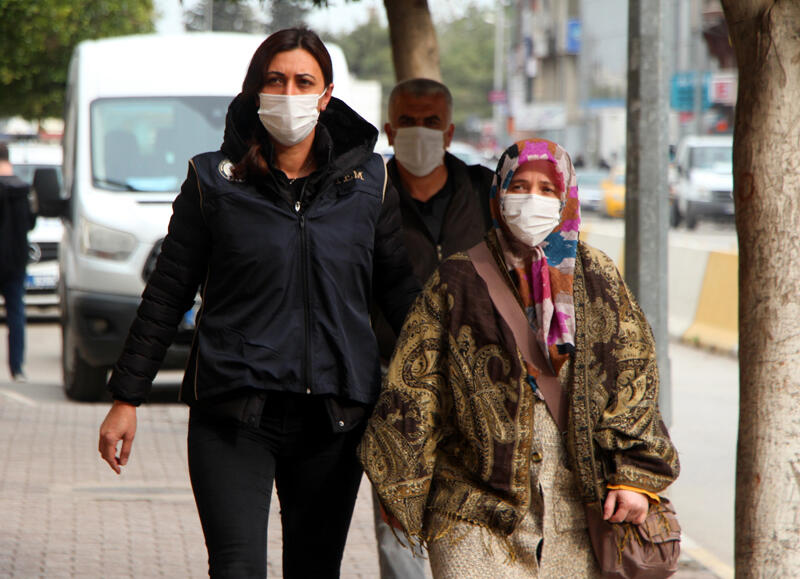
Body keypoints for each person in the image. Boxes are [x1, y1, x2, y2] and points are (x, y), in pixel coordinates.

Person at [97, 28, 421, 579]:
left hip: (334, 419)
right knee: (236, 569)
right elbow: (167, 292)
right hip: (232, 413)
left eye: (303, 81)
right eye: (276, 80)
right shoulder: (212, 180)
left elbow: (406, 299)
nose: (289, 93)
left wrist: (447, 394)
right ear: (255, 91)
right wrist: (127, 397)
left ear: (326, 95)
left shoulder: (370, 180)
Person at [359, 138, 680, 578]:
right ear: (498, 193)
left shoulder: (599, 276)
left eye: (547, 190)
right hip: (471, 509)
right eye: (520, 186)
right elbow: (414, 386)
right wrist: (401, 484)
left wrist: (635, 475)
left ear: (566, 198)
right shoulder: (457, 279)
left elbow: (634, 378)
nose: (532, 199)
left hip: (576, 509)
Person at [370, 77, 494, 579]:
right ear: (389, 129)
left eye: (431, 122)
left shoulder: (485, 193)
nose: (419, 132)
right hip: (388, 376)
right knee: (397, 517)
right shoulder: (365, 195)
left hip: (475, 380)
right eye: (408, 122)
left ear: (449, 132)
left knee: (470, 513)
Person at [0, 142, 36, 383]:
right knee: (16, 315)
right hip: (17, 261)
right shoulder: (23, 189)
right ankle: (17, 368)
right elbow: (31, 223)